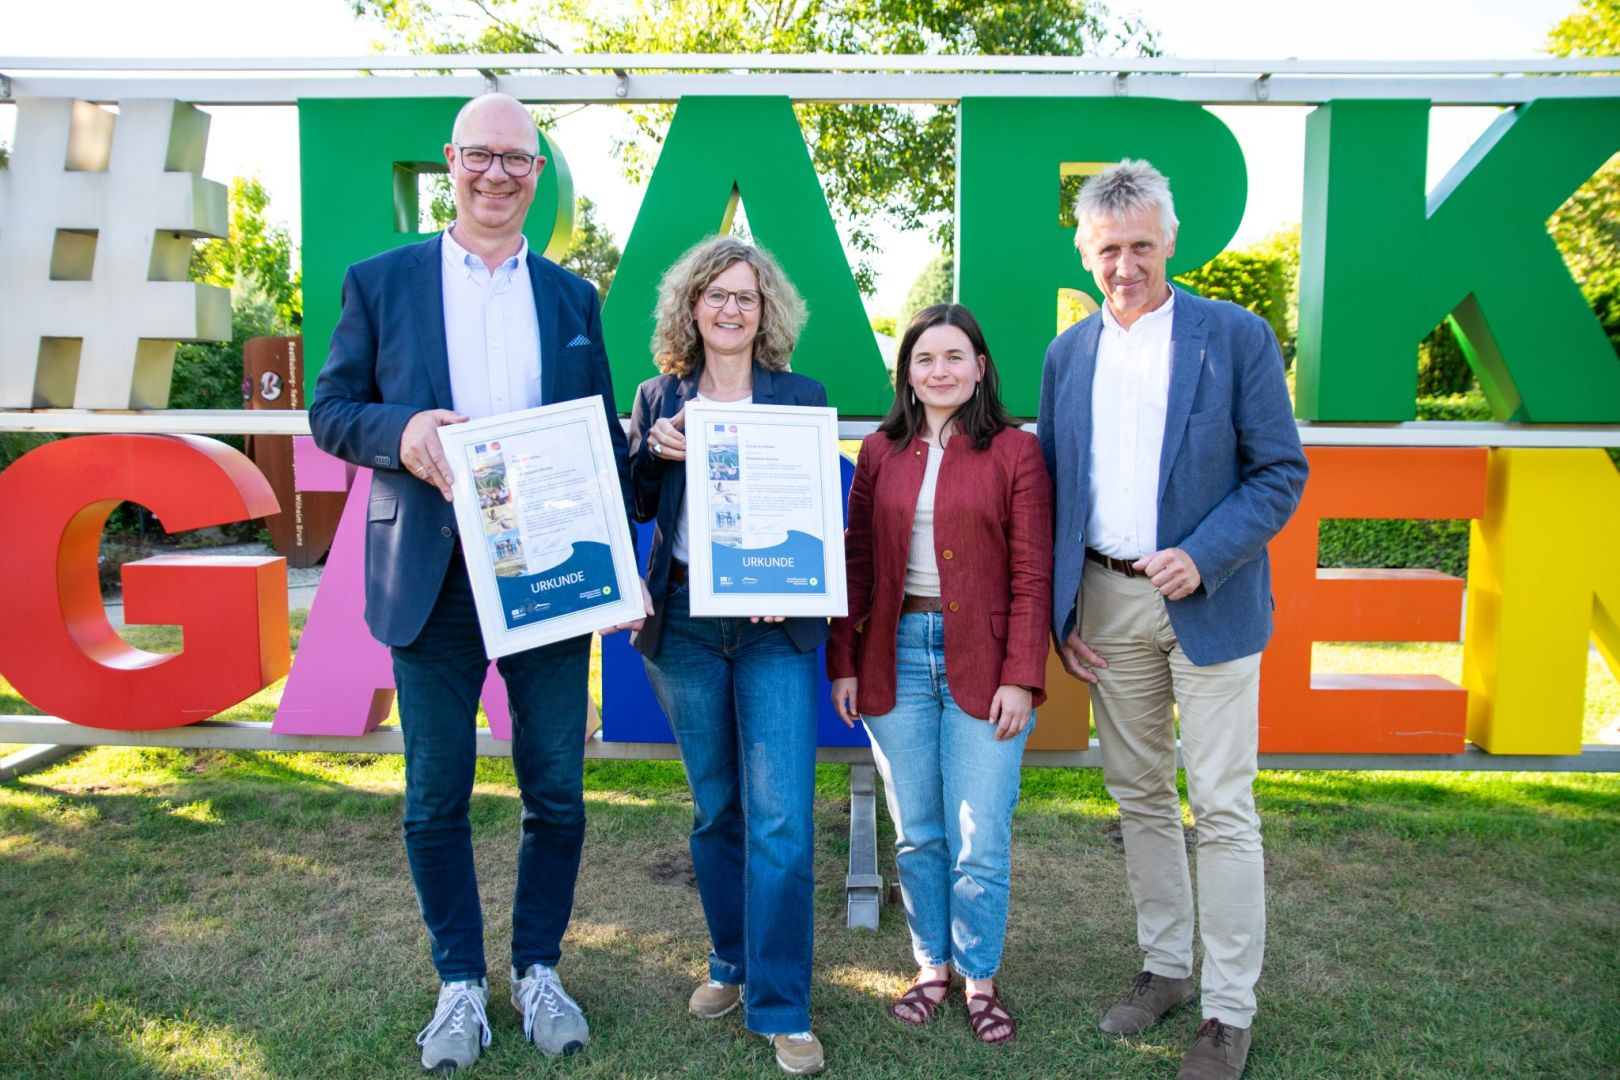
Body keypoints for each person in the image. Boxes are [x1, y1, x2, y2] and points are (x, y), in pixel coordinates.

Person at [310, 93, 646, 1073]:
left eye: (517, 160)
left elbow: (594, 442)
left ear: (537, 175)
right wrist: (402, 429)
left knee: (558, 790)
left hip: (548, 580)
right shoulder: (380, 282)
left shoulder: (573, 299)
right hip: (432, 578)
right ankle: (459, 980)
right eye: (481, 156)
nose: (498, 173)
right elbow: (332, 411)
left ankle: (538, 968)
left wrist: (625, 544)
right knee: (434, 794)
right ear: (451, 163)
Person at [1037, 159, 1308, 1080]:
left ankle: (1229, 1012)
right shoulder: (1068, 354)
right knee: (1141, 797)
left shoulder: (1234, 336)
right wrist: (1064, 610)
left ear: (1172, 242)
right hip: (1107, 604)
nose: (1126, 266)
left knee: (1223, 806)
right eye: (1109, 249)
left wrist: (1202, 553)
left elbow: (1280, 472)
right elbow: (1057, 491)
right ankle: (1166, 967)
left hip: (1212, 598)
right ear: (1085, 250)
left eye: (1142, 247)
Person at [626, 235, 829, 1077]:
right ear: (692, 306)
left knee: (781, 818)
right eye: (716, 294)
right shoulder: (658, 395)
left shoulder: (800, 396)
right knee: (716, 810)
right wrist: (651, 450)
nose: (731, 308)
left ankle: (783, 1006)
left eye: (746, 295)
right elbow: (637, 503)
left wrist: (797, 581)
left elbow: (815, 510)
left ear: (766, 308)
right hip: (686, 627)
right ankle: (731, 962)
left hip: (774, 628)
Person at [828, 303, 1052, 1046]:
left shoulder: (1016, 452)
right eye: (925, 359)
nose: (940, 370)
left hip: (985, 664)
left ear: (980, 368)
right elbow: (855, 562)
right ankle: (932, 967)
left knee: (978, 832)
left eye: (955, 357)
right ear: (908, 373)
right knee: (918, 833)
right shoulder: (879, 452)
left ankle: (979, 975)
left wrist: (1021, 675)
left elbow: (1033, 573)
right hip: (894, 658)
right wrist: (844, 660)